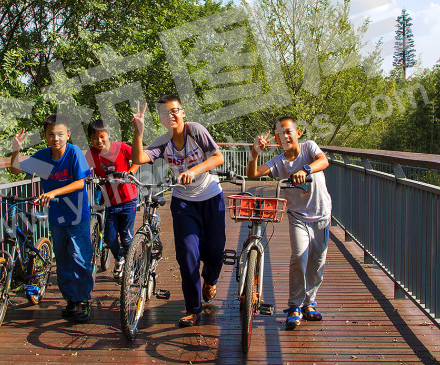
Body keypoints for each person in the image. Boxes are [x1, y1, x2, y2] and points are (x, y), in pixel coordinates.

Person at [131, 94, 226, 328]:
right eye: (164, 113)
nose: (170, 116)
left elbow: (218, 157)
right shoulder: (163, 142)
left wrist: (194, 170)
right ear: (161, 119)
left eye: (174, 111)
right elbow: (138, 157)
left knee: (215, 251)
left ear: (182, 112)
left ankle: (211, 279)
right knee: (187, 256)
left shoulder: (196, 131)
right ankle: (193, 308)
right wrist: (138, 131)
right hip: (183, 201)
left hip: (211, 196)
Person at [246, 117, 331, 331]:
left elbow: (324, 161)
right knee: (299, 259)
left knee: (317, 262)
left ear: (298, 133)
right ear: (275, 139)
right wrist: (255, 153)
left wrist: (306, 170)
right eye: (279, 134)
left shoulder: (309, 148)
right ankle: (294, 306)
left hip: (322, 215)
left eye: (288, 132)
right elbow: (253, 174)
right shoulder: (278, 161)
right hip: (298, 217)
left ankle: (309, 303)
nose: (285, 137)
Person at [10, 114, 94, 323]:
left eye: (60, 134)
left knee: (80, 258)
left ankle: (83, 299)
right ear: (45, 136)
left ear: (68, 135)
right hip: (57, 217)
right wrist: (16, 149)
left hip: (76, 215)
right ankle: (71, 301)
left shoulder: (74, 153)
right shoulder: (43, 157)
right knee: (63, 260)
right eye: (51, 135)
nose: (55, 138)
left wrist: (54, 193)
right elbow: (14, 169)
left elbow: (79, 184)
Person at [85, 119, 140, 280]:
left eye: (102, 136)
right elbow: (82, 168)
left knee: (126, 236)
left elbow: (137, 158)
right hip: (109, 201)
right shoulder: (91, 153)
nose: (99, 141)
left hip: (128, 198)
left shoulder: (121, 147)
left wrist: (130, 173)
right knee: (109, 238)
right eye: (94, 138)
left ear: (108, 135)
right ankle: (120, 259)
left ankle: (132, 268)